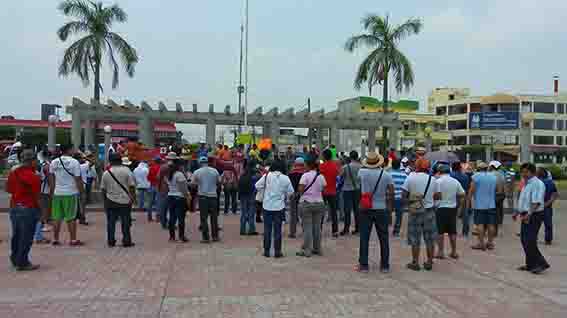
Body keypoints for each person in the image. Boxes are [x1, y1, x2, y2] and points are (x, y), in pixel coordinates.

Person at [356, 152, 394, 273]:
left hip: (365, 208)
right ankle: (385, 265)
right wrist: (390, 207)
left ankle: (364, 265)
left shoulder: (362, 172)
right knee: (383, 238)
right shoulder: (386, 175)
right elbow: (391, 192)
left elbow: (359, 184)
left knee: (364, 237)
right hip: (381, 208)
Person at [401, 158, 440, 271]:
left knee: (415, 238)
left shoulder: (410, 178)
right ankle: (429, 261)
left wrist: (411, 203)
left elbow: (404, 195)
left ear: (416, 166)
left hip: (415, 212)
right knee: (430, 239)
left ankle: (415, 262)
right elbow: (438, 196)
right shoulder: (433, 180)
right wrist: (432, 203)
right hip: (429, 211)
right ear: (428, 167)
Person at [6, 149, 42, 270]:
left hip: (14, 207)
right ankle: (22, 262)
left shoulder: (13, 173)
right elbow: (37, 196)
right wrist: (42, 212)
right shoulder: (34, 176)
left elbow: (9, 189)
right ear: (31, 161)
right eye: (35, 160)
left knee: (16, 235)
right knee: (26, 237)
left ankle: (15, 258)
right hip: (28, 208)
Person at [255, 160, 294, 258]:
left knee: (267, 229)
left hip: (267, 206)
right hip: (279, 207)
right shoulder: (285, 178)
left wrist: (266, 190)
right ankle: (277, 251)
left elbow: (257, 185)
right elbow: (291, 192)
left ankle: (266, 251)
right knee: (277, 230)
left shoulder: (267, 176)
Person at [515, 163, 550, 274]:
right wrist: (517, 212)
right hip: (526, 214)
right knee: (524, 240)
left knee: (530, 240)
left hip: (534, 215)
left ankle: (541, 263)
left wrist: (528, 215)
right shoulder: (527, 183)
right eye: (522, 172)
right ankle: (530, 264)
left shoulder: (537, 184)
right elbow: (524, 200)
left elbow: (536, 202)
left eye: (526, 172)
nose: (524, 174)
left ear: (532, 172)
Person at [49, 144, 84, 246]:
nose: (74, 150)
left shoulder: (54, 162)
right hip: (71, 193)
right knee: (71, 217)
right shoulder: (74, 162)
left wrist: (52, 192)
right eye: (73, 148)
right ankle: (73, 240)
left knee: (56, 217)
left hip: (57, 193)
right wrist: (82, 192)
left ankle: (55, 239)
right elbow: (78, 179)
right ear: (69, 150)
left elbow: (51, 179)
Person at [100, 153, 137, 248]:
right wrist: (133, 197)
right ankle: (126, 241)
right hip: (125, 201)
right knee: (125, 222)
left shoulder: (106, 173)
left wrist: (105, 202)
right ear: (120, 160)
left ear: (110, 161)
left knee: (111, 222)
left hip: (110, 201)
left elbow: (103, 189)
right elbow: (131, 186)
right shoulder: (127, 171)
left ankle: (111, 241)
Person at [295, 155, 327, 258]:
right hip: (319, 203)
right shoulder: (320, 176)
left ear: (308, 165)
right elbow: (323, 189)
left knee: (307, 227)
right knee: (317, 227)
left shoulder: (305, 176)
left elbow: (300, 189)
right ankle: (318, 249)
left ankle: (307, 250)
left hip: (306, 203)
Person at [435, 164, 465, 259]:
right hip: (452, 209)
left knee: (440, 231)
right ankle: (454, 251)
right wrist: (459, 205)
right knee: (452, 231)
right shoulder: (455, 181)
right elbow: (462, 194)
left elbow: (435, 195)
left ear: (440, 172)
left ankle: (440, 252)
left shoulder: (438, 182)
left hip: (440, 209)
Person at [469, 162, 499, 251]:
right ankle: (490, 243)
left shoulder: (476, 176)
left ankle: (481, 243)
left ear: (478, 169)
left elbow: (471, 190)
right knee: (491, 224)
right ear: (487, 168)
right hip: (491, 204)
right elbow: (497, 189)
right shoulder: (493, 177)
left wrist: (468, 202)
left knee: (480, 224)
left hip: (479, 205)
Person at [192, 156, 221, 243]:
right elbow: (219, 183)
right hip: (213, 197)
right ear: (208, 162)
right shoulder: (214, 171)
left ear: (200, 163)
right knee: (214, 218)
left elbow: (193, 185)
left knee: (203, 218)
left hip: (202, 197)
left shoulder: (197, 172)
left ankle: (206, 237)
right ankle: (215, 236)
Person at [167, 158, 192, 242]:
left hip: (171, 196)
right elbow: (183, 188)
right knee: (181, 218)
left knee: (172, 217)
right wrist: (187, 195)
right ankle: (181, 236)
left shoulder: (170, 174)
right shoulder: (179, 175)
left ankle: (172, 236)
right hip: (179, 197)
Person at [340, 151, 362, 235]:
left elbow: (340, 176)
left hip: (347, 189)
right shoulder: (361, 167)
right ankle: (358, 228)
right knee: (357, 209)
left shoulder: (346, 167)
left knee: (347, 209)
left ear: (350, 157)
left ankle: (346, 228)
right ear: (357, 157)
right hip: (357, 189)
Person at [319, 149, 340, 237]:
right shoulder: (335, 166)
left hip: (323, 191)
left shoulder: (321, 166)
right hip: (333, 191)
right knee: (334, 212)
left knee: (321, 212)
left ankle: (319, 229)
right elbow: (338, 177)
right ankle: (335, 231)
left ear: (324, 156)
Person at [536, 167, 558, 245]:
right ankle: (548, 240)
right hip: (547, 207)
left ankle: (533, 238)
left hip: (537, 207)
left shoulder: (536, 183)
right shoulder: (551, 183)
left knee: (535, 224)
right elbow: (555, 195)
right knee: (548, 224)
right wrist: (548, 203)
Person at [451, 162, 471, 237]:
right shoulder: (465, 176)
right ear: (459, 167)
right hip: (463, 196)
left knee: (452, 215)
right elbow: (468, 187)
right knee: (464, 214)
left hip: (453, 196)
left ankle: (452, 230)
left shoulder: (451, 175)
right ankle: (465, 231)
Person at [157, 152, 177, 229]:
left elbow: (159, 178)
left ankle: (164, 223)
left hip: (164, 189)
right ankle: (172, 223)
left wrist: (159, 187)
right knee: (173, 208)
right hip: (175, 189)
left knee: (163, 208)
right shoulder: (177, 167)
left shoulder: (163, 167)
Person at [238, 162, 259, 236]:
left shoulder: (242, 175)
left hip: (243, 196)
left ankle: (242, 230)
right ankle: (251, 230)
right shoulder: (253, 176)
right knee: (251, 214)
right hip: (251, 195)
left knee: (243, 213)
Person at [288, 157, 306, 238]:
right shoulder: (305, 173)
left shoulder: (291, 173)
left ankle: (292, 232)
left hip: (293, 195)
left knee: (293, 215)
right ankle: (305, 231)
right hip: (302, 195)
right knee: (304, 215)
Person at [390, 159, 408, 237]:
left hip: (390, 197)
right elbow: (406, 188)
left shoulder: (388, 174)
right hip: (400, 197)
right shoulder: (404, 175)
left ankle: (385, 228)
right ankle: (396, 231)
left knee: (387, 213)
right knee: (399, 215)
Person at [489, 161, 506, 236]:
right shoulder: (501, 175)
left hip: (494, 195)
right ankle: (497, 229)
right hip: (501, 195)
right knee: (499, 213)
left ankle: (493, 231)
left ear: (492, 167)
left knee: (493, 213)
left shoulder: (491, 175)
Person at [147, 157, 162, 222]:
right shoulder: (161, 168)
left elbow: (148, 177)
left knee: (150, 202)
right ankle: (158, 217)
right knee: (158, 202)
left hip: (152, 185)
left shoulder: (151, 168)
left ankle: (149, 216)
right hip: (159, 185)